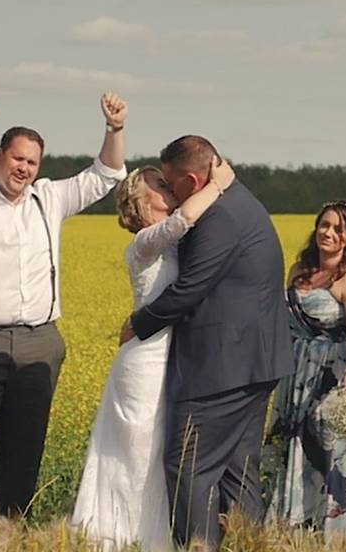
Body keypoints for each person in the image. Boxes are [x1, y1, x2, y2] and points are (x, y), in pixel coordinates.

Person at [0, 94, 128, 523]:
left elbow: (106, 173)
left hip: (39, 342)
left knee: (26, 444)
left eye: (32, 162)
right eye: (17, 158)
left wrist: (114, 129)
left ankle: (11, 528)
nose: (24, 169)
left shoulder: (49, 199)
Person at [121, 135, 293, 550]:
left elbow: (190, 289)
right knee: (238, 470)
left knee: (187, 466)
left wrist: (137, 322)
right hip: (252, 362)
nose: (170, 191)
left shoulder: (218, 216)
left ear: (194, 180)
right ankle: (247, 544)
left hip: (222, 369)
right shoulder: (233, 201)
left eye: (171, 183)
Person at [73, 159, 234, 551]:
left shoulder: (170, 240)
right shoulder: (144, 241)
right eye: (159, 184)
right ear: (141, 203)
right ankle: (127, 538)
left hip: (171, 355)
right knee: (139, 455)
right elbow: (184, 220)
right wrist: (218, 185)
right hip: (145, 361)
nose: (168, 187)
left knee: (161, 453)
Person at [263, 200, 346, 535]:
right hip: (295, 374)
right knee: (287, 449)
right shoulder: (301, 272)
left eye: (338, 229)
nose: (329, 233)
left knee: (327, 457)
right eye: (324, 225)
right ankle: (284, 531)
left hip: (331, 376)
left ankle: (326, 538)